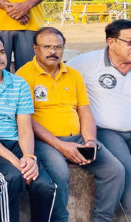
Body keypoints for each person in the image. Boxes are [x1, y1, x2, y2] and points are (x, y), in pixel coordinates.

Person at [17, 27, 124, 222]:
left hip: (77, 137)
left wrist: (90, 140)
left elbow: (84, 110)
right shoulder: (23, 76)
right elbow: (26, 119)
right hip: (45, 141)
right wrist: (61, 145)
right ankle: (60, 219)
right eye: (47, 47)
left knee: (114, 171)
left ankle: (102, 219)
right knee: (59, 172)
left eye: (58, 47)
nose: (53, 51)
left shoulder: (73, 75)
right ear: (35, 48)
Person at [0, 32, 56, 222]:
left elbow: (24, 126)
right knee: (12, 178)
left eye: (1, 52)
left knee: (45, 186)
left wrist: (29, 157)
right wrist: (14, 161)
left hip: (16, 142)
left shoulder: (18, 83)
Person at [68, 19, 131, 213]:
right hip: (107, 131)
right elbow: (60, 79)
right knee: (126, 170)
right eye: (129, 42)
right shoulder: (85, 63)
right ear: (111, 42)